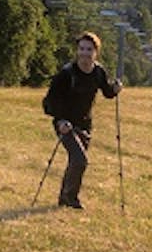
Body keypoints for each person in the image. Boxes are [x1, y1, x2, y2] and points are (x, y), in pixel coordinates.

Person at [42, 31, 122, 209]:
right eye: (82, 49)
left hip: (85, 124)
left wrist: (115, 89)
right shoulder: (67, 74)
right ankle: (72, 199)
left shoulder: (98, 71)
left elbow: (107, 92)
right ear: (77, 51)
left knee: (75, 162)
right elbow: (49, 102)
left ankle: (64, 198)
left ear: (96, 52)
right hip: (65, 124)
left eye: (89, 49)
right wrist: (61, 121)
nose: (85, 53)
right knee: (80, 160)